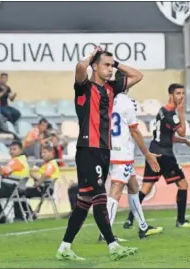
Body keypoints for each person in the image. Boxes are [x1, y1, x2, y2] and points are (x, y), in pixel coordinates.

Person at [56, 47, 143, 261]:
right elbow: (79, 67)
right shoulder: (84, 88)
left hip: (104, 151)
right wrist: (91, 56)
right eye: (106, 65)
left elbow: (137, 76)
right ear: (95, 66)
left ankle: (64, 248)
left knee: (84, 201)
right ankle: (113, 246)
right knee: (99, 198)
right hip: (88, 149)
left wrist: (116, 62)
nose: (111, 69)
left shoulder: (112, 88)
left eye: (112, 65)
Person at [99, 71, 163, 241]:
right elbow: (134, 130)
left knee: (134, 187)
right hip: (122, 151)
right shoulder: (127, 102)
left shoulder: (105, 98)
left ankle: (143, 227)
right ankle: (106, 234)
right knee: (116, 189)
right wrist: (147, 154)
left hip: (108, 149)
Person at [124, 83, 190, 229]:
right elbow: (182, 131)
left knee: (146, 188)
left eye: (183, 93)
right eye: (178, 93)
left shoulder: (162, 111)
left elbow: (166, 136)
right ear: (171, 95)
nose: (181, 96)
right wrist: (181, 112)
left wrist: (183, 141)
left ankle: (129, 220)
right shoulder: (171, 114)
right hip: (165, 155)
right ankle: (181, 220)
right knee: (183, 185)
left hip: (154, 152)